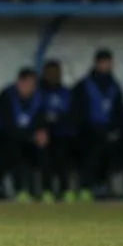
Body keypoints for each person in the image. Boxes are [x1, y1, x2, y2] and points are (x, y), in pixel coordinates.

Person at [71, 48, 123, 201]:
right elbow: (77, 112)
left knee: (116, 145)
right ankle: (87, 186)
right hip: (87, 131)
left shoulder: (114, 86)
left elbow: (119, 112)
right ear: (97, 64)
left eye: (109, 63)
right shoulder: (84, 85)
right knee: (93, 148)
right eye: (104, 63)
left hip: (109, 130)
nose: (107, 66)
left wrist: (116, 130)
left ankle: (104, 185)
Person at [0, 68, 50, 202]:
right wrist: (30, 136)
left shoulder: (39, 97)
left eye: (32, 85)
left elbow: (43, 120)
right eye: (27, 84)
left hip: (31, 140)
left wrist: (42, 132)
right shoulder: (6, 96)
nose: (29, 88)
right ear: (19, 83)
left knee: (47, 151)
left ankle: (46, 191)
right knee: (15, 153)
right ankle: (20, 191)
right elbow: (5, 126)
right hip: (9, 140)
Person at [40, 60, 75, 200]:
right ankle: (46, 191)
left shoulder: (66, 93)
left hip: (62, 134)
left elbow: (71, 115)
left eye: (56, 72)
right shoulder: (39, 92)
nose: (53, 76)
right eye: (50, 73)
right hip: (43, 134)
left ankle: (65, 190)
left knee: (63, 155)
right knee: (44, 155)